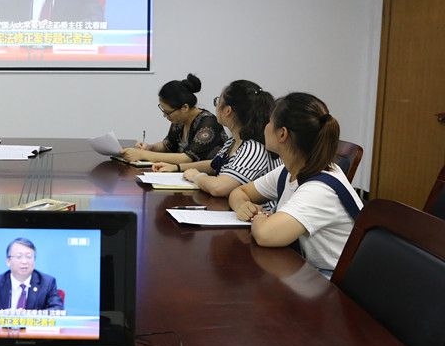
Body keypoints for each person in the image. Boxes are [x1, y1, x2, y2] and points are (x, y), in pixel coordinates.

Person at [228, 93, 363, 275]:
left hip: (334, 281)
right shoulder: (290, 170)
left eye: (269, 122)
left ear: (282, 133)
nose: (265, 127)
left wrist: (259, 216)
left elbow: (265, 235)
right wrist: (242, 206)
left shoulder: (319, 190)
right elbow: (240, 192)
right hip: (306, 267)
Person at [152, 80, 282, 197]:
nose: (216, 106)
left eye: (218, 101)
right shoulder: (233, 141)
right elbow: (214, 164)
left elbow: (219, 187)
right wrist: (177, 167)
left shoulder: (253, 148)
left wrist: (196, 176)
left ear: (227, 111)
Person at [121, 74, 225, 164]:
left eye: (167, 112)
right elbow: (167, 145)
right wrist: (150, 147)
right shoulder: (180, 121)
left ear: (184, 108)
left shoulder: (208, 124)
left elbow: (187, 158)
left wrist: (143, 155)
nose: (165, 116)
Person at [0, 237, 64, 314]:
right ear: (8, 261)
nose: (24, 261)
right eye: (19, 257)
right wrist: (1, 314)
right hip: (2, 331)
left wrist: (31, 316)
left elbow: (57, 309)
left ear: (34, 260)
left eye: (29, 257)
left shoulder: (47, 283)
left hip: (33, 331)